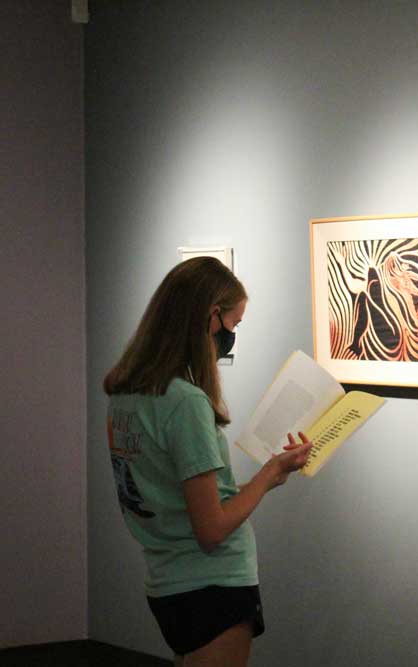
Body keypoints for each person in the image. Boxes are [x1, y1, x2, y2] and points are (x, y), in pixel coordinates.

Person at [103, 257, 313, 667]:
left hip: (165, 581)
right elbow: (211, 528)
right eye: (233, 325)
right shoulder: (185, 403)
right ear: (210, 317)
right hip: (212, 585)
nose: (232, 337)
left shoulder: (125, 395)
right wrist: (271, 472)